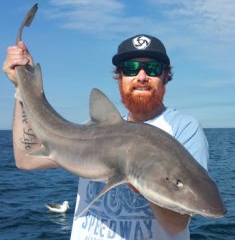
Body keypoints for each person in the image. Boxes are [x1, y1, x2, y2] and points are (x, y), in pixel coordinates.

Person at [3, 34, 209, 240]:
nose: (142, 76)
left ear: (165, 76)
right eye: (131, 68)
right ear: (119, 76)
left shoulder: (184, 128)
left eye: (153, 69)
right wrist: (22, 86)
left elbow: (177, 225)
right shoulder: (90, 132)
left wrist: (140, 175)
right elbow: (26, 159)